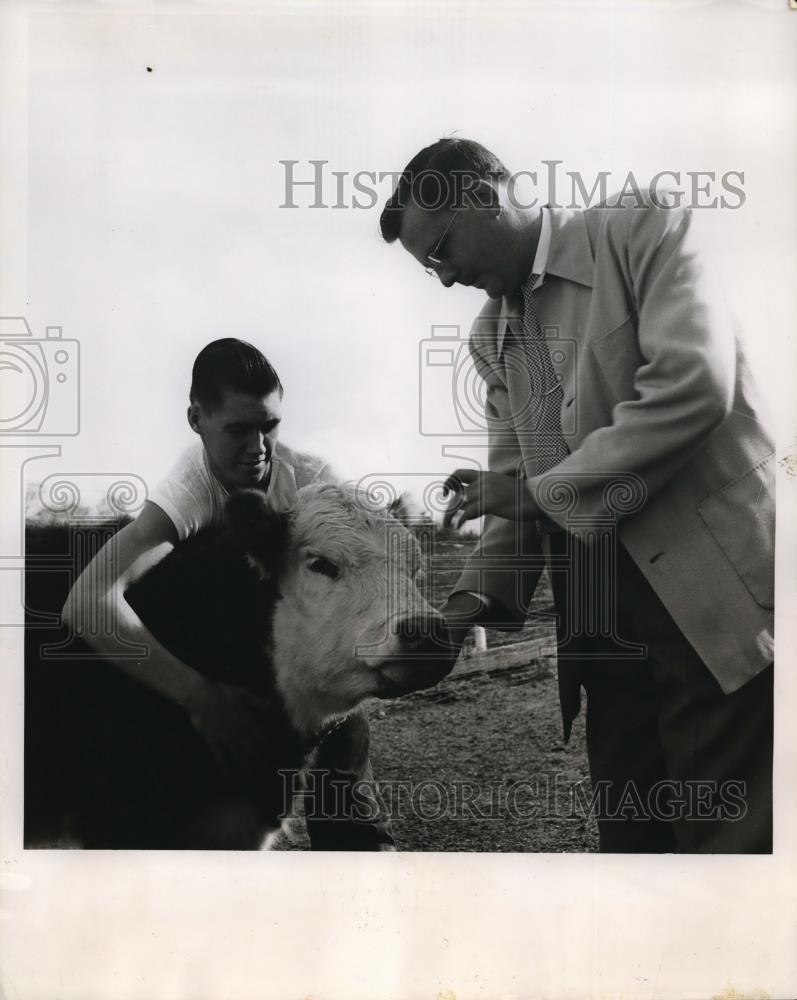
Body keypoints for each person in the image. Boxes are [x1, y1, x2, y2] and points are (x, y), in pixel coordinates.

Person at [380, 138, 775, 853]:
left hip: (709, 605)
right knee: (633, 852)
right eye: (427, 267)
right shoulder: (491, 334)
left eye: (438, 251)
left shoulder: (641, 227)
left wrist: (532, 492)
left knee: (726, 851)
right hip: (597, 630)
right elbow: (512, 499)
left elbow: (692, 388)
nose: (441, 278)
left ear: (479, 196)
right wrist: (457, 616)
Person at [62, 337, 394, 850]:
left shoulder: (312, 483)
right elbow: (86, 601)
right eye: (238, 429)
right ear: (196, 419)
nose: (258, 448)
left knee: (343, 762)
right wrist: (198, 696)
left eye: (270, 426)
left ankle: (359, 842)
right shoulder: (189, 491)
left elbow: (360, 587)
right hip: (230, 666)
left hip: (310, 657)